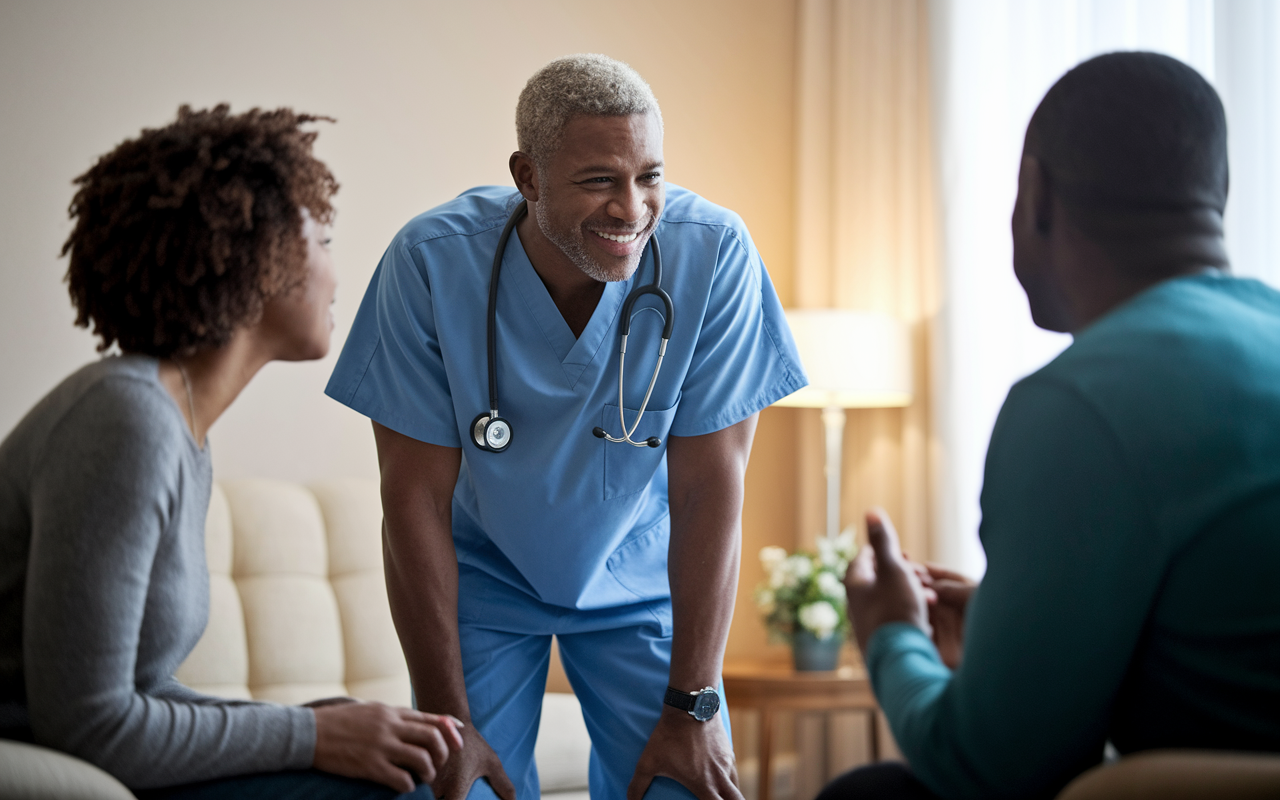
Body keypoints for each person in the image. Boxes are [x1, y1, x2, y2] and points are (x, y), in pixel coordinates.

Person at [325, 54, 804, 800]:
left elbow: (713, 488)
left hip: (640, 578)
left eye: (650, 175)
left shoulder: (714, 254)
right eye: (598, 180)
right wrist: (448, 717)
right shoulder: (430, 262)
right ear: (527, 177)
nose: (632, 208)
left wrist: (696, 704)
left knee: (684, 786)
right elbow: (411, 501)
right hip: (482, 577)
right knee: (457, 790)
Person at [827, 51, 1280, 799]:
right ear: (1217, 195)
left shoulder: (1080, 401)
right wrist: (1015, 630)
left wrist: (889, 632)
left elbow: (988, 769)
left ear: (1032, 196)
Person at [0, 105, 462, 799]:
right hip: (54, 759)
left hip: (87, 750)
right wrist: (312, 736)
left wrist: (312, 722)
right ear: (262, 255)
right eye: (326, 241)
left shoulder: (175, 423)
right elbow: (90, 723)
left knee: (408, 765)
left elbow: (141, 690)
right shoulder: (125, 421)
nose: (339, 276)